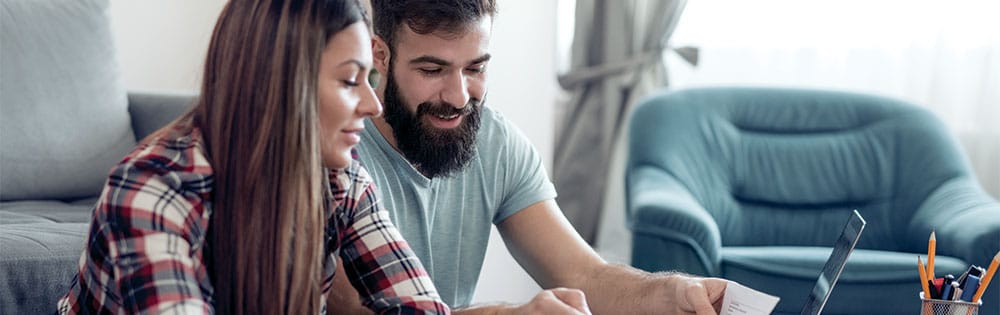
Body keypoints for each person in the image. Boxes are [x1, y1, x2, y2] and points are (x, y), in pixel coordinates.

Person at [326, 0, 728, 314]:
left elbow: (585, 274)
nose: (459, 96)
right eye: (433, 70)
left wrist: (670, 293)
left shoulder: (494, 142)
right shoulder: (339, 153)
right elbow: (361, 312)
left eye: (475, 69)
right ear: (379, 55)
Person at [56, 0, 449, 314]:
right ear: (279, 84)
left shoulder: (343, 184)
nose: (373, 105)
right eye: (349, 81)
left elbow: (421, 306)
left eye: (371, 80)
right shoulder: (154, 190)